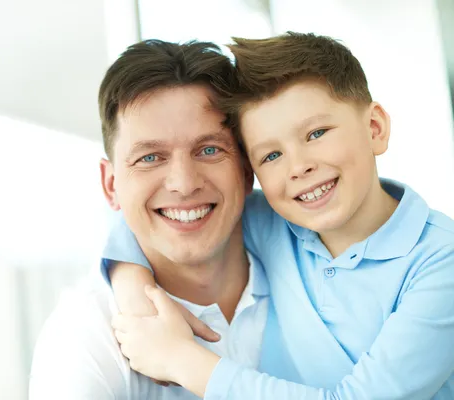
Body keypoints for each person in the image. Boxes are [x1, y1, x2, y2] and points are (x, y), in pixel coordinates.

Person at [105, 32, 454, 399]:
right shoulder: (275, 222)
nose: (299, 167)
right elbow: (156, 216)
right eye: (271, 155)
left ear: (374, 128)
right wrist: (135, 295)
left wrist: (181, 359)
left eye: (316, 133)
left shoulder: (440, 263)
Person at [28, 39, 270, 400]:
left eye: (209, 150)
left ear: (246, 169)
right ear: (111, 185)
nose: (185, 184)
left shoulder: (315, 267)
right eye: (150, 158)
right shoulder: (84, 336)